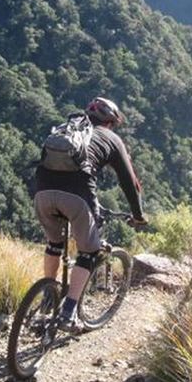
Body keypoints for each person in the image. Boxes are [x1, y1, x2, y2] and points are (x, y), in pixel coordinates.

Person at [34, 96, 147, 330]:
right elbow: (130, 183)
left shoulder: (69, 130)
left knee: (54, 243)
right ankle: (68, 312)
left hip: (42, 192)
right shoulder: (111, 139)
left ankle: (47, 296)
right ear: (110, 122)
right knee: (89, 251)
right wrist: (138, 216)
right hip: (77, 196)